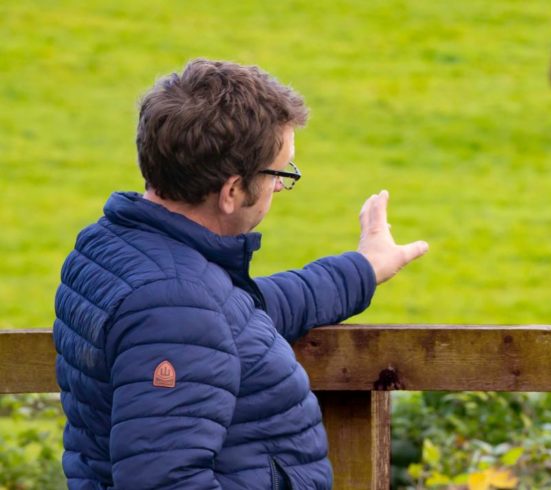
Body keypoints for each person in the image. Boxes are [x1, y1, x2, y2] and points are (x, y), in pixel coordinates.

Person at [51, 59, 428, 489]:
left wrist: (363, 268)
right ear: (231, 191)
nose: (281, 187)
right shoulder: (176, 303)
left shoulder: (120, 247)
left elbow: (243, 312)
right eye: (280, 173)